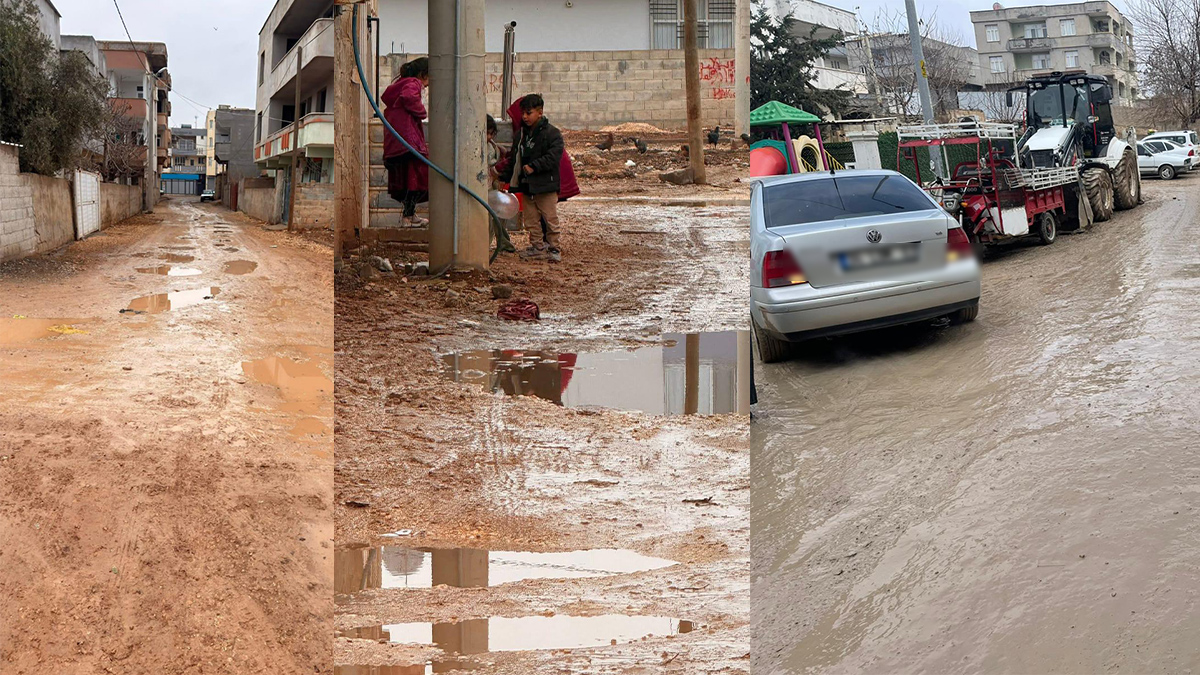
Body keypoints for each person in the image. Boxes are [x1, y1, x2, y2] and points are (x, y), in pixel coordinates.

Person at [495, 94, 569, 262]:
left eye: (529, 113)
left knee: (550, 219)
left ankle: (554, 248)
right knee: (531, 220)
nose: (525, 117)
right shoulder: (521, 135)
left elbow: (553, 157)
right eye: (523, 113)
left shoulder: (552, 133)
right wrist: (505, 177)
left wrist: (534, 166)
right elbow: (515, 160)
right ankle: (538, 247)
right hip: (527, 185)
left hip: (546, 185)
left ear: (540, 112)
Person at [382, 58, 430, 226]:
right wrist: (422, 112)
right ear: (423, 74)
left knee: (407, 180)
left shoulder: (398, 86)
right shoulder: (413, 83)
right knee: (419, 178)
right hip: (409, 142)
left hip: (396, 144)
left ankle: (409, 214)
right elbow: (409, 97)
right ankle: (408, 217)